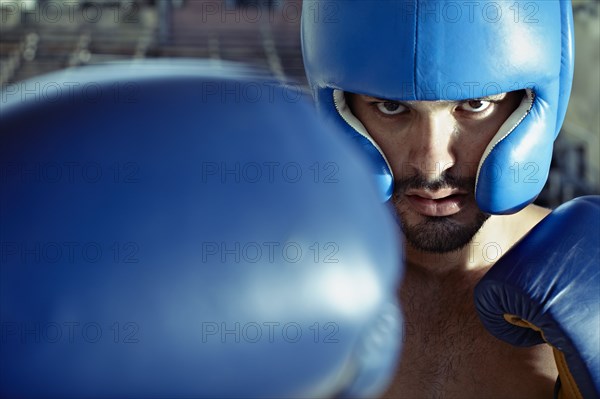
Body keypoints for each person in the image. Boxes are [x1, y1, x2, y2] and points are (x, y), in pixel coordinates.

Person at [301, 0, 598, 397]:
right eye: (391, 108)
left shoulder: (588, 277)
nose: (432, 163)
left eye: (475, 105)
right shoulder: (292, 276)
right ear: (340, 109)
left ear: (534, 105)